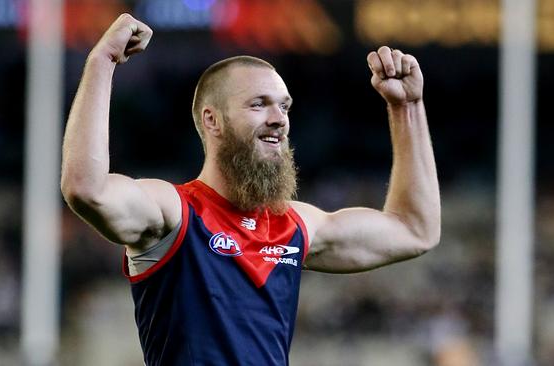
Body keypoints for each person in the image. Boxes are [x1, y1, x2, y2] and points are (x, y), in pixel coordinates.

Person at [61, 13, 440, 366]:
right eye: (259, 104)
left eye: (285, 107)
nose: (279, 119)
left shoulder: (294, 225)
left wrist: (407, 107)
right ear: (213, 120)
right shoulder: (174, 212)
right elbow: (85, 189)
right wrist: (102, 61)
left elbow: (415, 230)